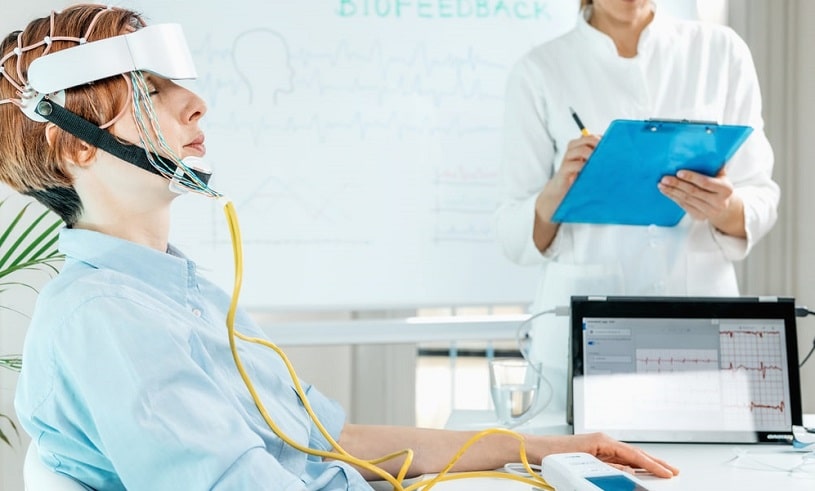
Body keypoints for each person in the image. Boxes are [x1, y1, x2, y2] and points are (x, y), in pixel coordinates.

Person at [1, 4, 678, 490]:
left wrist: (545, 448)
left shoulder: (180, 291)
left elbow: (333, 442)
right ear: (75, 145)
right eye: (151, 92)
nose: (195, 104)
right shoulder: (108, 322)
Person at [494, 0, 780, 411]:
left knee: (711, 469)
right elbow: (510, 230)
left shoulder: (720, 52)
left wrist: (724, 206)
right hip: (585, 331)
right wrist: (556, 193)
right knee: (578, 465)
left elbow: (761, 196)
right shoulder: (540, 70)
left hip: (698, 323)